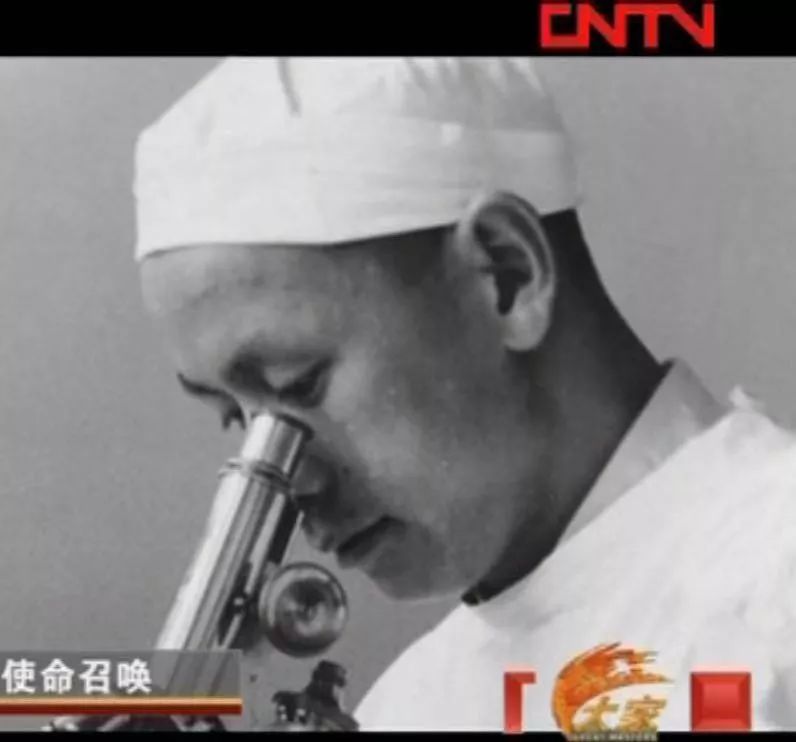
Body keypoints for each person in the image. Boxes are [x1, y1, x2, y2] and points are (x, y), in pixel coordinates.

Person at [129, 58, 796, 731]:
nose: (290, 484)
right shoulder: (406, 706)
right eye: (234, 418)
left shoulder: (776, 582)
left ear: (506, 276)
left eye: (296, 384)